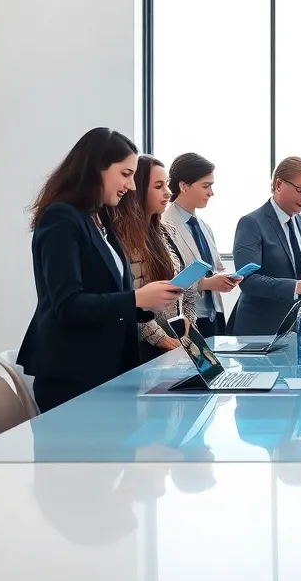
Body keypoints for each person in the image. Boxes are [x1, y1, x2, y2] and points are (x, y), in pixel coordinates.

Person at [18, 128, 182, 413]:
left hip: (108, 371)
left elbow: (106, 292)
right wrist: (137, 298)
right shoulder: (61, 218)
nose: (131, 186)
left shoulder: (100, 219)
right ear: (97, 169)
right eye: (125, 174)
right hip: (73, 376)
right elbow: (68, 304)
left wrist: (146, 302)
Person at [114, 154, 212, 361]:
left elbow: (184, 288)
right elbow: (130, 297)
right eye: (159, 186)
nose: (168, 192)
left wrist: (188, 322)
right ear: (138, 189)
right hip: (143, 347)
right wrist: (158, 338)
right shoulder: (121, 236)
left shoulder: (166, 231)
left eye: (166, 184)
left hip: (176, 341)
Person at [231, 156, 301, 336]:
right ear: (278, 185)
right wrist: (297, 286)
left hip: (298, 327)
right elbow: (248, 280)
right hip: (258, 330)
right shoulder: (251, 223)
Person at [162, 152, 239, 338]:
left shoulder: (204, 227)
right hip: (186, 319)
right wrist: (204, 284)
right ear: (183, 186)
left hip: (214, 317)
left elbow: (216, 267)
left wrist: (226, 278)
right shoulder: (163, 225)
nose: (211, 192)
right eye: (206, 186)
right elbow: (165, 279)